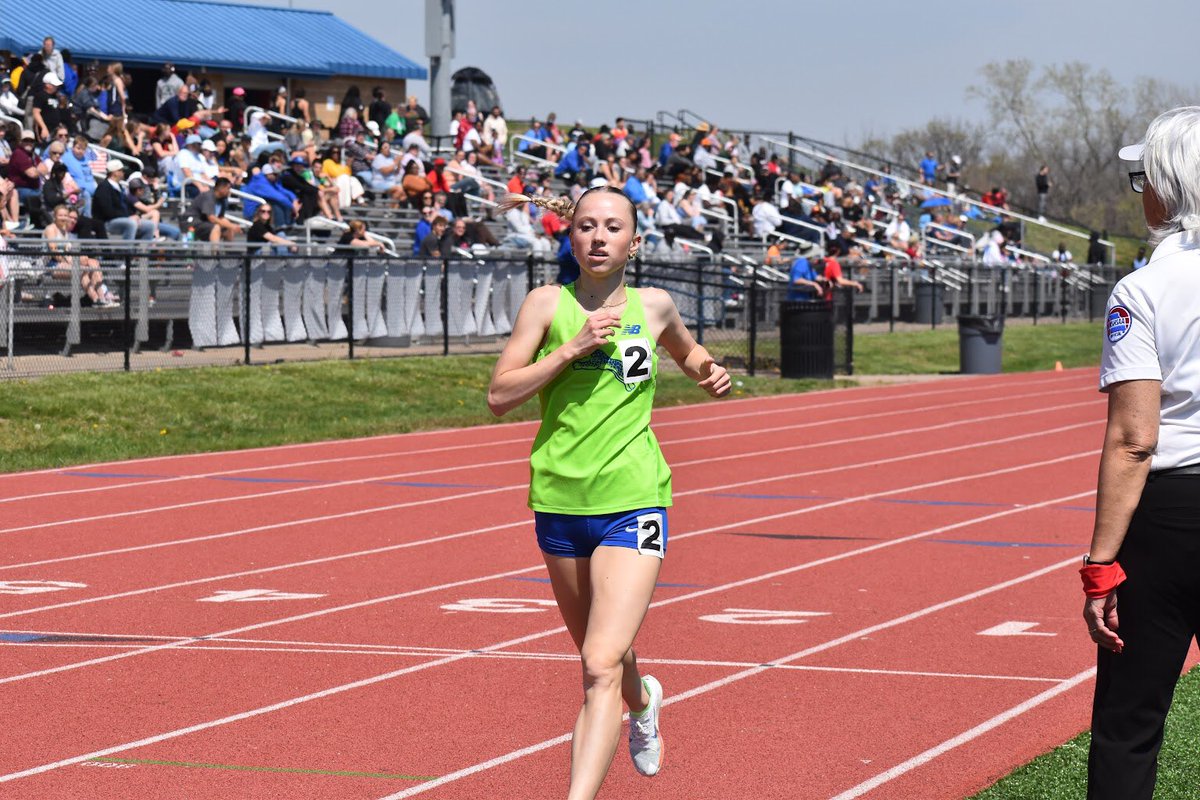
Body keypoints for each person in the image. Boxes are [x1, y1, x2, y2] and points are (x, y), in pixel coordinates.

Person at [486, 186, 731, 800]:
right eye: (588, 226)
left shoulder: (655, 306)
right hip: (561, 502)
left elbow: (686, 349)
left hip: (635, 498)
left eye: (613, 227)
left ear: (635, 241)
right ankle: (643, 698)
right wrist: (571, 349)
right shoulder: (547, 305)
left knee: (597, 665)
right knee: (607, 657)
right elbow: (500, 395)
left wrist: (708, 371)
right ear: (571, 237)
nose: (599, 237)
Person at [1084, 106, 1200, 800]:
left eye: (1143, 177)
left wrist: (1100, 567)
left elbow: (1134, 439)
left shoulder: (1144, 289)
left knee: (1130, 725)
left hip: (1172, 513)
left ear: (1169, 185)